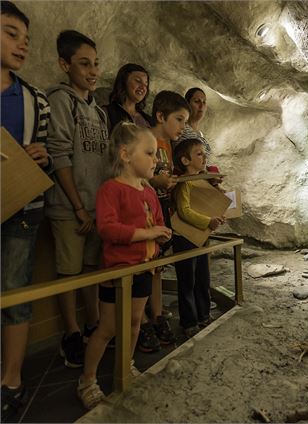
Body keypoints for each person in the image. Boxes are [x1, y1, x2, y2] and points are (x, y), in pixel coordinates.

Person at [78, 122, 171, 410]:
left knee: (133, 321)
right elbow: (107, 229)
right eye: (150, 153)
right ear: (125, 154)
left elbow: (158, 222)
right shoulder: (111, 189)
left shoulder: (149, 191)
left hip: (143, 269)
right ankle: (87, 380)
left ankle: (125, 366)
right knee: (107, 328)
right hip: (118, 274)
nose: (155, 160)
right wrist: (148, 234)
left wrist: (158, 239)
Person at [0, 2, 52, 420]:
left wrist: (41, 156)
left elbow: (50, 151)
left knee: (16, 293)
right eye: (10, 33)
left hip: (22, 209)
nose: (21, 45)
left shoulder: (35, 99)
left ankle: (12, 380)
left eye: (25, 39)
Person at [45, 30, 109, 368]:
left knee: (90, 267)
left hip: (94, 207)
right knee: (69, 271)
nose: (92, 71)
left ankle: (93, 325)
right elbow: (60, 155)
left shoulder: (98, 112)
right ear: (64, 64)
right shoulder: (60, 99)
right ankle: (70, 334)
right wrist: (79, 206)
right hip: (71, 206)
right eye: (84, 64)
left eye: (95, 64)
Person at [135, 90, 189, 351]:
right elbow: (138, 176)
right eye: (179, 119)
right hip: (144, 210)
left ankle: (156, 315)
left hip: (161, 207)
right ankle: (143, 319)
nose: (183, 126)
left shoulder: (167, 145)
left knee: (158, 265)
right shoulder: (147, 141)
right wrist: (156, 181)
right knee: (146, 264)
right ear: (160, 116)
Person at [172, 139, 225, 337]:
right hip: (185, 237)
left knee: (203, 277)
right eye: (199, 154)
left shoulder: (204, 180)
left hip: (201, 236)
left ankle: (203, 315)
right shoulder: (184, 184)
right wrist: (207, 221)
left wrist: (217, 215)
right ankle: (189, 321)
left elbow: (211, 204)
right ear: (185, 160)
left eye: (204, 153)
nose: (204, 157)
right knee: (187, 281)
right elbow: (184, 211)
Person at [104, 63, 152, 131]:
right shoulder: (106, 113)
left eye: (146, 84)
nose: (143, 87)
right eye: (138, 81)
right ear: (124, 82)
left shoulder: (149, 120)